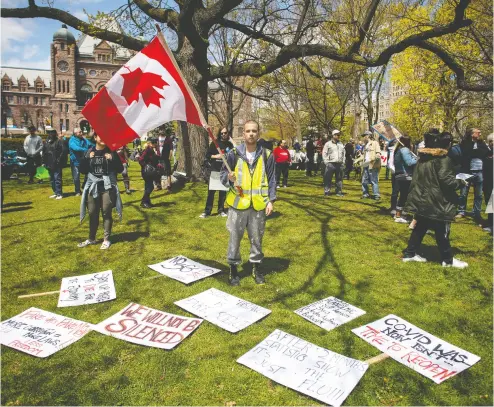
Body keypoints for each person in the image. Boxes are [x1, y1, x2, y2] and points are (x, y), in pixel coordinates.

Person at [220, 120, 276, 286]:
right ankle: (233, 269)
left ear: (258, 133)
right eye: (248, 131)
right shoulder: (234, 154)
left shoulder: (267, 155)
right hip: (237, 206)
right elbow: (223, 176)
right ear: (243, 134)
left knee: (257, 239)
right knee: (234, 238)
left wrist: (271, 201)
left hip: (258, 205)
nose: (251, 134)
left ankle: (256, 268)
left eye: (254, 131)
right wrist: (228, 179)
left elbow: (272, 179)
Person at [403, 131, 468, 268]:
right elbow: (447, 181)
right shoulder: (443, 160)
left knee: (420, 227)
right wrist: (461, 182)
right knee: (441, 230)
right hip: (437, 200)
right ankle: (448, 260)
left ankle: (410, 254)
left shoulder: (422, 158)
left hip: (423, 198)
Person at [78, 133, 123, 250]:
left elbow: (120, 169)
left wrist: (112, 159)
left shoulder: (111, 152)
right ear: (95, 138)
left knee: (106, 212)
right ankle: (91, 238)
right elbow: (82, 170)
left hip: (107, 188)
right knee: (92, 213)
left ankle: (106, 239)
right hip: (93, 187)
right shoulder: (89, 152)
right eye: (100, 136)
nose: (103, 138)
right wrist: (87, 158)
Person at [456, 128, 489, 225]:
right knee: (463, 192)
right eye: (478, 132)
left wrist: (475, 152)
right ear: (471, 134)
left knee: (478, 194)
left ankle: (476, 213)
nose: (480, 133)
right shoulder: (465, 143)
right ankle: (461, 211)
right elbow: (466, 153)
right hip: (467, 171)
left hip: (479, 171)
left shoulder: (481, 143)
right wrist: (476, 152)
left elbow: (485, 152)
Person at [199, 128, 234, 218]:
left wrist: (232, 141)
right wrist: (216, 156)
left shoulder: (229, 144)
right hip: (215, 169)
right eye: (221, 133)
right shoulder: (215, 143)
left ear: (228, 133)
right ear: (219, 134)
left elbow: (234, 154)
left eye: (225, 133)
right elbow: (208, 155)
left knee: (222, 192)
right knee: (211, 192)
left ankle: (221, 210)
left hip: (225, 171)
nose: (223, 134)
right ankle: (207, 211)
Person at [393, 136, 417, 223]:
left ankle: (400, 213)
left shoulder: (398, 150)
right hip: (405, 175)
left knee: (403, 195)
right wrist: (418, 159)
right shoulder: (405, 150)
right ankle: (400, 215)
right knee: (405, 196)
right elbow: (409, 162)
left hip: (400, 175)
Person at [323, 129, 345, 196]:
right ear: (333, 135)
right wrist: (326, 162)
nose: (338, 136)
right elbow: (324, 153)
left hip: (339, 164)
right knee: (328, 178)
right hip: (330, 163)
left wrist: (343, 162)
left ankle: (338, 191)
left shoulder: (341, 144)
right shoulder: (328, 144)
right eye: (337, 135)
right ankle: (327, 191)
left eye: (339, 135)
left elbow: (343, 153)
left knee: (339, 179)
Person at [139, 138, 160, 208]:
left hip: (151, 171)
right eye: (155, 143)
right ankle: (143, 201)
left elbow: (155, 158)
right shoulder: (147, 150)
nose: (156, 144)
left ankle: (147, 202)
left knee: (148, 187)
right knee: (150, 187)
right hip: (147, 172)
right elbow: (141, 160)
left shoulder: (153, 150)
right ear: (151, 143)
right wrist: (146, 166)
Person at [43, 130, 64, 199]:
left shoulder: (58, 142)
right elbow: (44, 152)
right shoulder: (46, 142)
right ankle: (55, 192)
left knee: (57, 178)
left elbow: (62, 152)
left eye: (52, 132)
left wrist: (58, 160)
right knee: (52, 179)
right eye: (49, 132)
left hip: (56, 163)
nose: (50, 134)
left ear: (55, 133)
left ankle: (59, 193)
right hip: (49, 163)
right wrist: (44, 162)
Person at [69, 127, 90, 196]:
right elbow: (76, 148)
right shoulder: (71, 140)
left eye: (81, 131)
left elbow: (90, 144)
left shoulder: (84, 140)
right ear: (75, 134)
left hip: (83, 160)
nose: (81, 133)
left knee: (88, 174)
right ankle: (77, 191)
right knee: (76, 177)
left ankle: (84, 185)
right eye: (80, 132)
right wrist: (85, 149)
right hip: (75, 161)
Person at [361, 131, 381, 200]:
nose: (364, 138)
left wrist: (373, 159)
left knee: (373, 180)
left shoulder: (375, 143)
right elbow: (364, 155)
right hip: (365, 165)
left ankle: (376, 195)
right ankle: (365, 194)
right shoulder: (365, 145)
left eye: (364, 136)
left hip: (372, 165)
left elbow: (378, 154)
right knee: (364, 181)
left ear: (368, 136)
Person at [482, 133, 493, 233]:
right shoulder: (487, 154)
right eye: (490, 142)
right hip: (487, 182)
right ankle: (490, 222)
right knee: (489, 202)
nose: (492, 144)